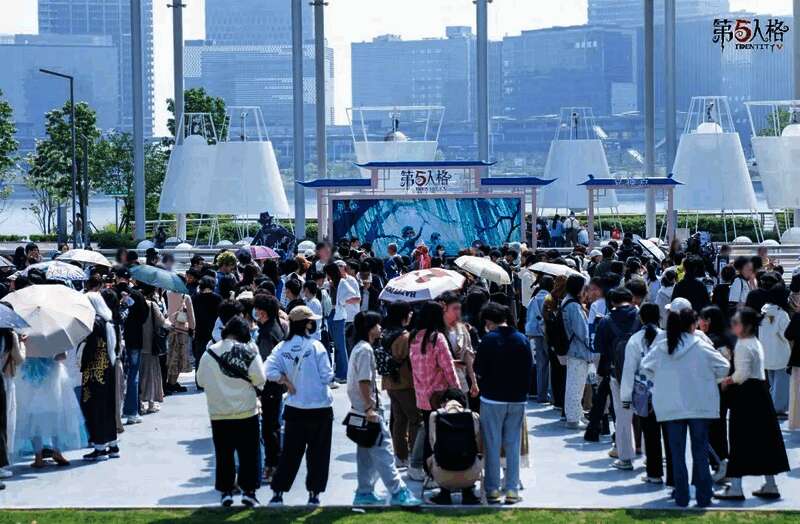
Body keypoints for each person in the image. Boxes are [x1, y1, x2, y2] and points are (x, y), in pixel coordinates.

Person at [640, 303, 730, 508]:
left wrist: (662, 379)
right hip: (700, 404)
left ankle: (681, 496)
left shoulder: (663, 346)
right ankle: (703, 496)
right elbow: (724, 367)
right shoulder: (700, 344)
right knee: (699, 452)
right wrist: (708, 378)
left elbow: (645, 367)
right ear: (692, 325)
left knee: (676, 454)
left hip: (671, 406)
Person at [715, 308, 791, 501]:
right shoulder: (755, 342)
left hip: (746, 397)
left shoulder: (742, 345)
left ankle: (736, 487)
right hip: (760, 394)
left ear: (746, 326)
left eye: (736, 322)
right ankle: (770, 483)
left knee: (739, 440)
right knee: (765, 441)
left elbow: (741, 375)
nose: (733, 326)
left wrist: (726, 381)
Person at [347, 311, 420, 506]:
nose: (381, 328)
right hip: (368, 411)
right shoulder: (365, 351)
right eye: (377, 325)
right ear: (369, 328)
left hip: (360, 410)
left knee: (365, 455)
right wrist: (371, 408)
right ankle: (398, 492)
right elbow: (363, 381)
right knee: (384, 452)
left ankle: (364, 492)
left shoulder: (360, 348)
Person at [266, 306, 334, 506]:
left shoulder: (282, 347)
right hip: (320, 407)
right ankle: (314, 494)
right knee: (319, 455)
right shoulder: (317, 346)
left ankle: (278, 493)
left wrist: (284, 380)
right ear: (307, 323)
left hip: (294, 408)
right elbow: (327, 376)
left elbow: (268, 370)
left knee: (290, 453)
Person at [197, 317, 266, 507]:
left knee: (224, 454)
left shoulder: (209, 352)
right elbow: (260, 378)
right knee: (249, 455)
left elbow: (201, 380)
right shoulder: (249, 350)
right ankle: (249, 492)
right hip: (247, 411)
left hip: (219, 413)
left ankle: (226, 491)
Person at [474, 302, 532, 505]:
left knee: (492, 443)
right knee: (513, 444)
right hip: (517, 398)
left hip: (492, 398)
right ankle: (512, 489)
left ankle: (492, 490)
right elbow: (529, 368)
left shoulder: (488, 340)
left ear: (489, 322)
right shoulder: (521, 339)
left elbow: (478, 369)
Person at [408, 301, 460, 482]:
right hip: (440, 396)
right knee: (439, 438)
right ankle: (435, 474)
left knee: (429, 435)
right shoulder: (436, 338)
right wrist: (457, 391)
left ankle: (428, 473)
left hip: (423, 396)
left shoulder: (414, 337)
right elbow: (448, 367)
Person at [619, 303, 669, 484]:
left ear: (640, 318)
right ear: (659, 317)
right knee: (669, 434)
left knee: (650, 433)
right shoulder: (667, 337)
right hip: (667, 391)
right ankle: (672, 475)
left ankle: (654, 473)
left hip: (644, 394)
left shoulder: (634, 340)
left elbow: (628, 370)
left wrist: (625, 397)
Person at [600, 287, 640, 470]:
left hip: (617, 372)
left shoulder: (607, 320)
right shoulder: (640, 316)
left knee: (622, 414)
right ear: (631, 299)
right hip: (642, 373)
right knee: (648, 412)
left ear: (612, 302)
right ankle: (651, 453)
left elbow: (598, 346)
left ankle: (625, 456)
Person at [79, 292, 120, 460]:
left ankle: (100, 447)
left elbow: (89, 350)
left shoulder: (94, 323)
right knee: (107, 407)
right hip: (107, 370)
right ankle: (112, 445)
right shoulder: (108, 321)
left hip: (94, 372)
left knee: (95, 408)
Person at [380, 302, 419, 471]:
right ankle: (414, 455)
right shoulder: (405, 336)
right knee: (415, 419)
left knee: (399, 420)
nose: (411, 315)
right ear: (403, 315)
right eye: (409, 313)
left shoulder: (385, 333)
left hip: (389, 383)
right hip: (405, 383)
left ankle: (400, 456)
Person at [425, 388, 482, 505]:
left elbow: (432, 443)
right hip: (470, 474)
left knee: (431, 458)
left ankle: (444, 494)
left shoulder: (435, 416)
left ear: (445, 401)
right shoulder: (473, 416)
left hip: (442, 475)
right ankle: (468, 494)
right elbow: (479, 445)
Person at [252, 293, 287, 482]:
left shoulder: (266, 333)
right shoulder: (276, 327)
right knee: (272, 426)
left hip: (270, 387)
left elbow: (263, 364)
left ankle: (273, 465)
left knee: (269, 428)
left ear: (263, 312)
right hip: (276, 386)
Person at [116, 267, 149, 425]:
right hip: (134, 338)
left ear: (116, 278)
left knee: (114, 376)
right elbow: (144, 316)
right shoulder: (137, 294)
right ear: (129, 279)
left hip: (115, 340)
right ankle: (131, 412)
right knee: (132, 376)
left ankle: (114, 413)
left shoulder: (109, 293)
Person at [561, 274, 592, 430]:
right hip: (578, 350)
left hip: (572, 349)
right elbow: (582, 331)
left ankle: (577, 414)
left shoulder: (567, 301)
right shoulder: (573, 306)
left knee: (574, 384)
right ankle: (573, 419)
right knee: (576, 385)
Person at [759, 285, 792, 417]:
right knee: (781, 384)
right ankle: (778, 408)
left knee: (773, 383)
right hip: (780, 352)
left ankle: (772, 404)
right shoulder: (781, 314)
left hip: (766, 352)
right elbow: (787, 334)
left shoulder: (764, 310)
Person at [139, 285, 170, 414]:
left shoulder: (134, 303)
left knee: (138, 375)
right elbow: (163, 323)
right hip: (150, 344)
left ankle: (139, 403)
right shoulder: (152, 305)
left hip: (136, 345)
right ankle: (151, 403)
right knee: (151, 374)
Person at [0, 326, 24, 481]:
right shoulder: (9, 335)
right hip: (5, 379)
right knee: (5, 421)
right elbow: (19, 358)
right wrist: (22, 344)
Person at [525, 275, 553, 404]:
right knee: (552, 365)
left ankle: (540, 395)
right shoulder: (549, 298)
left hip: (534, 333)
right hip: (547, 333)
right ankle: (552, 395)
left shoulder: (534, 298)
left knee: (540, 365)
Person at [191, 276, 223, 382]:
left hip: (199, 330)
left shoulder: (194, 298)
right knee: (214, 356)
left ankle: (199, 381)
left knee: (199, 357)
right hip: (214, 331)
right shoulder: (218, 298)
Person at [165, 287, 196, 393]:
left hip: (169, 329)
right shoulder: (186, 297)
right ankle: (172, 382)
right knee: (179, 357)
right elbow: (191, 316)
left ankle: (169, 381)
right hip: (182, 330)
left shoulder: (167, 294)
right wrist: (192, 328)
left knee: (170, 356)